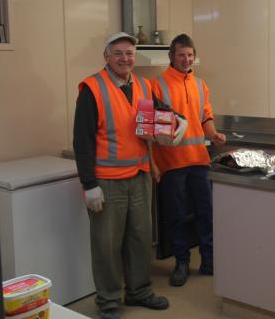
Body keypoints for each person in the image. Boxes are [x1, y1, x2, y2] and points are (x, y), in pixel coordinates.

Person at [73, 32, 169, 319]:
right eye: (118, 53)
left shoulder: (143, 84)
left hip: (139, 175)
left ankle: (139, 291)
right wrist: (89, 184)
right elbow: (83, 141)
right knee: (106, 243)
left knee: (140, 238)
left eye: (129, 53)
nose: (125, 58)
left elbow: (158, 117)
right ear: (106, 56)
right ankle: (109, 299)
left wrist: (176, 121)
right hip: (107, 180)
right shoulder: (92, 88)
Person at [150, 33, 226, 287]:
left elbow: (205, 118)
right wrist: (153, 162)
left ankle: (208, 260)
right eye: (181, 55)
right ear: (171, 56)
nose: (186, 59)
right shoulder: (156, 85)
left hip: (199, 161)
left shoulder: (201, 85)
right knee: (176, 216)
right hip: (171, 164)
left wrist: (213, 134)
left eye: (190, 55)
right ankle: (181, 262)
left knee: (206, 213)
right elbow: (153, 129)